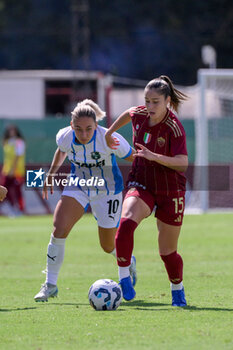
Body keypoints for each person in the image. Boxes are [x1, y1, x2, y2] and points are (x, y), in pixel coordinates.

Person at [34, 99, 137, 302]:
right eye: (79, 129)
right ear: (72, 126)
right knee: (59, 228)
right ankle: (50, 285)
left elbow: (133, 156)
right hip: (78, 184)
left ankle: (128, 259)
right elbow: (62, 150)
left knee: (107, 246)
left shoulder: (109, 138)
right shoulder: (65, 136)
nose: (83, 134)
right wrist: (51, 174)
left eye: (88, 129)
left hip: (108, 191)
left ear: (96, 126)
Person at [105, 75, 188, 307]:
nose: (149, 106)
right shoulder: (140, 114)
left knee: (167, 252)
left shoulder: (174, 126)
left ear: (167, 101)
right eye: (147, 101)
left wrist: (154, 156)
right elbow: (129, 112)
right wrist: (110, 131)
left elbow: (183, 163)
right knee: (126, 224)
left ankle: (177, 289)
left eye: (155, 102)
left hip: (171, 189)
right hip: (141, 181)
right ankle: (123, 278)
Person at [1, 125, 25, 215]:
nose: (12, 132)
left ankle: (20, 210)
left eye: (13, 130)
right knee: (3, 190)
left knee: (17, 191)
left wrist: (13, 169)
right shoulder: (6, 142)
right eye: (10, 130)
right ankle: (12, 208)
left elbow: (18, 156)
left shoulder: (19, 142)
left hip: (17, 171)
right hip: (7, 170)